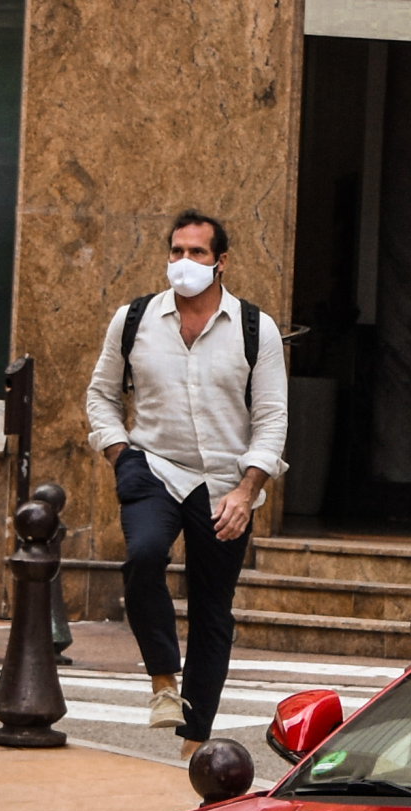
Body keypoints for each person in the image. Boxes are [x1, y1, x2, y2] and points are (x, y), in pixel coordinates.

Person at [83, 209, 287, 760]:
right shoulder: (134, 319)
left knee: (212, 608)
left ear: (221, 262)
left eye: (197, 253)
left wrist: (246, 491)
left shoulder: (254, 327)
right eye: (176, 252)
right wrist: (119, 451)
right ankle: (161, 684)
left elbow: (271, 418)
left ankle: (194, 740)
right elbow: (101, 393)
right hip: (154, 467)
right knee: (144, 556)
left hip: (225, 481)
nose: (184, 263)